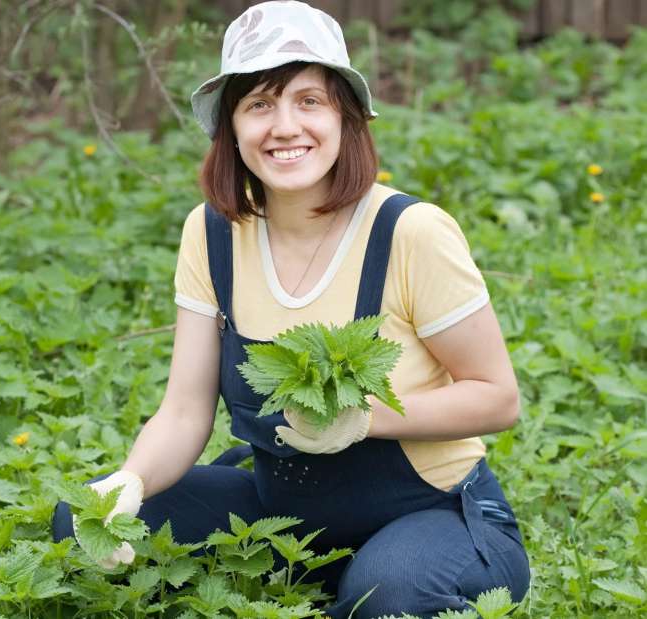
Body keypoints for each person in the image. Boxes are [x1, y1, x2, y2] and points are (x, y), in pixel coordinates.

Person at [52, 2, 530, 617]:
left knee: (388, 595)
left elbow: (497, 398)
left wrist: (365, 419)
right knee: (80, 517)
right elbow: (184, 410)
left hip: (433, 513)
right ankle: (333, 578)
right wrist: (132, 483)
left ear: (345, 117)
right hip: (283, 517)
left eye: (309, 101)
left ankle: (376, 580)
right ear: (232, 127)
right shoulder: (213, 233)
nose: (284, 126)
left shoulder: (410, 232)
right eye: (259, 104)